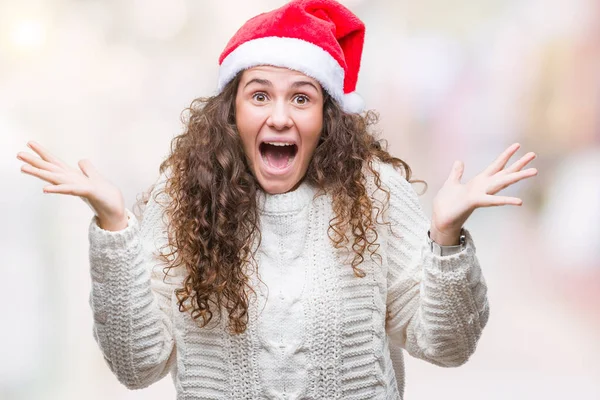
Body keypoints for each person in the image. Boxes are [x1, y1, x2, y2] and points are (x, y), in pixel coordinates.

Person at [17, 0, 538, 398]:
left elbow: (447, 347)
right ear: (231, 112)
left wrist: (446, 239)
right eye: (260, 94)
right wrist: (113, 228)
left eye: (302, 97)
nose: (280, 117)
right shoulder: (180, 202)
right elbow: (137, 366)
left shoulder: (375, 193)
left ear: (326, 117)